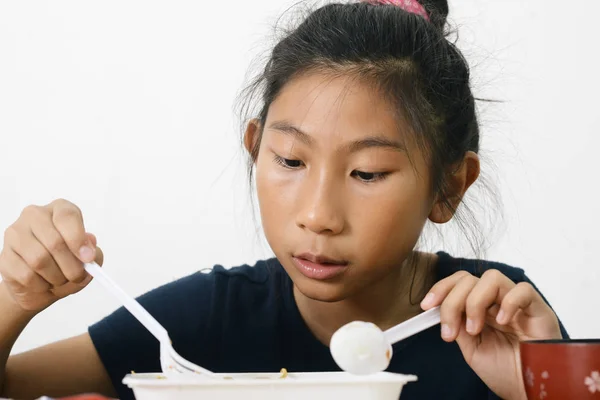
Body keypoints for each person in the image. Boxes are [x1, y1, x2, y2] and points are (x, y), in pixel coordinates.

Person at [0, 0, 568, 399]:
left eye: (367, 173)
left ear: (448, 186)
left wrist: (550, 387)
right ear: (255, 148)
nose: (317, 215)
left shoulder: (499, 319)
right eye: (291, 161)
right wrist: (14, 296)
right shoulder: (207, 319)